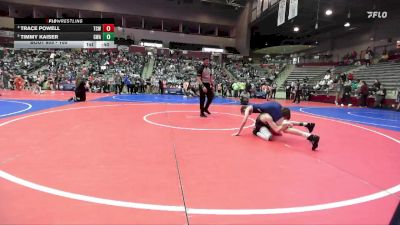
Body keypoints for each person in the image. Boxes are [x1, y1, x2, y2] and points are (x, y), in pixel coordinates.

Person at [233, 102, 320, 151]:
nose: (247, 114)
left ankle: (310, 136)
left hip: (274, 109)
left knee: (284, 128)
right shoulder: (253, 106)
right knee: (283, 125)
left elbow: (244, 120)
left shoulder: (248, 108)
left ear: (244, 109)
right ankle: (306, 124)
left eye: (244, 113)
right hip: (275, 105)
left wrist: (238, 132)